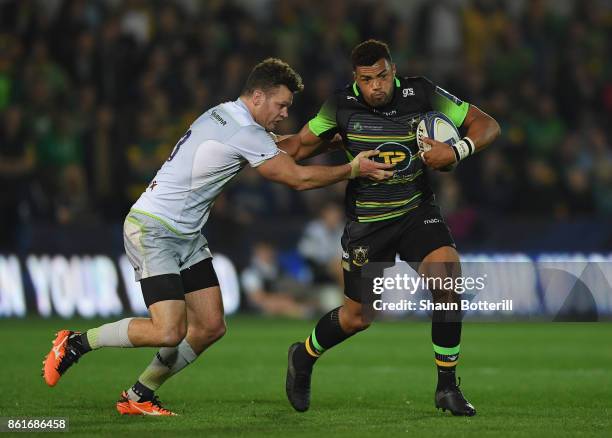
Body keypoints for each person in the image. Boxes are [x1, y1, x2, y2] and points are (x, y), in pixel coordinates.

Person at [42, 57, 393, 416]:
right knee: (168, 331)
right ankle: (76, 343)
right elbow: (296, 177)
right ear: (258, 96)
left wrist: (329, 143)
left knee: (209, 326)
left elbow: (287, 148)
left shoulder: (229, 116)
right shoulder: (243, 130)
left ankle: (138, 395)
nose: (285, 113)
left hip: (186, 234)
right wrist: (353, 169)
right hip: (154, 227)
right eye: (282, 104)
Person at [280, 40, 500, 416]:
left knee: (447, 281)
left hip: (417, 211)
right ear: (356, 80)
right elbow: (298, 148)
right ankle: (304, 355)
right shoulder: (338, 106)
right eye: (367, 80)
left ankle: (447, 387)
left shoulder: (422, 92)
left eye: (382, 76)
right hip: (367, 224)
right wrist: (246, 150)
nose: (376, 86)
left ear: (393, 70)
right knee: (358, 317)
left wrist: (457, 149)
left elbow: (487, 125)